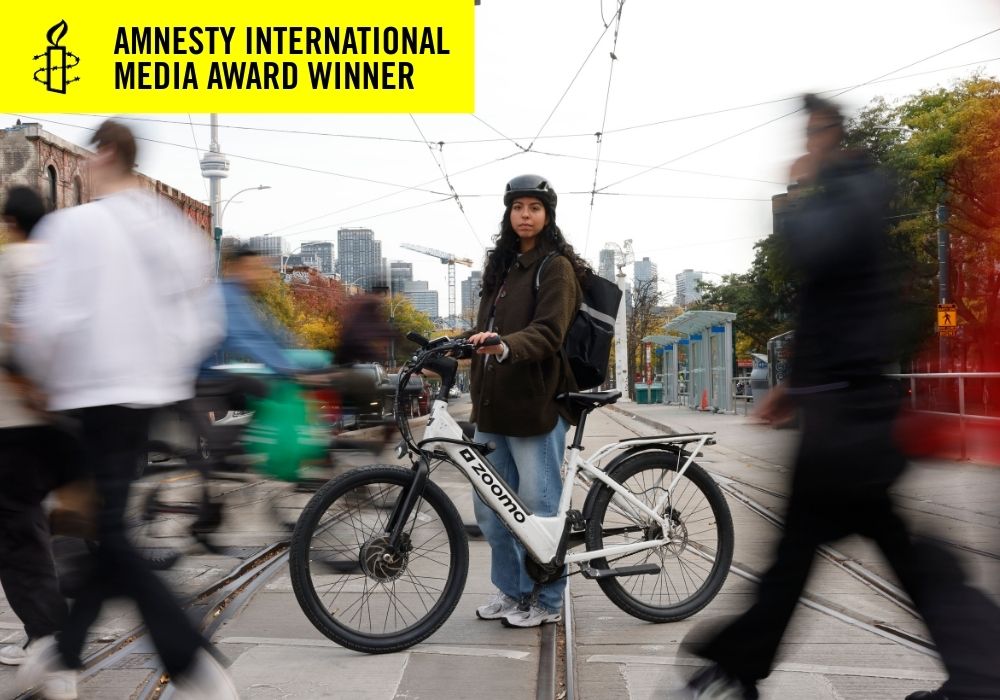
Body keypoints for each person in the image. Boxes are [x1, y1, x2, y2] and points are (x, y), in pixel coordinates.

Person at [681, 95, 1000, 699]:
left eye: (812, 134)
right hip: (843, 413)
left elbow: (816, 255)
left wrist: (798, 192)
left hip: (848, 419)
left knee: (802, 554)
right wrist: (794, 388)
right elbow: (827, 301)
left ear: (831, 134)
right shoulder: (853, 194)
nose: (805, 148)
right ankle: (981, 671)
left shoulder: (855, 192)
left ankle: (736, 669)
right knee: (839, 551)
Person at [13, 120, 234, 699]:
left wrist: (39, 379)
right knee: (105, 531)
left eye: (88, 155)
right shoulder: (172, 227)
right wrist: (164, 371)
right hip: (149, 398)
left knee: (109, 532)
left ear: (105, 153)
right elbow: (204, 320)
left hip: (90, 395)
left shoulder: (75, 226)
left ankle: (191, 662)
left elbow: (46, 324)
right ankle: (63, 651)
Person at [467, 174, 586, 628]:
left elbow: (549, 331)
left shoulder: (554, 267)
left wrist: (503, 346)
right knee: (492, 510)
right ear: (507, 213)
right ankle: (512, 591)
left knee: (538, 510)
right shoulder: (500, 269)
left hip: (536, 405)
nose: (525, 215)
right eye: (518, 207)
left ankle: (549, 599)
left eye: (535, 207)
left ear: (548, 215)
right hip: (494, 407)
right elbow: (486, 331)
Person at [0, 186, 80, 699]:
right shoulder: (64, 266)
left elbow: (9, 340)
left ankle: (51, 643)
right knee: (50, 524)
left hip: (15, 419)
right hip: (68, 416)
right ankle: (45, 633)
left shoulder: (8, 266)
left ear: (11, 222)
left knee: (18, 533)